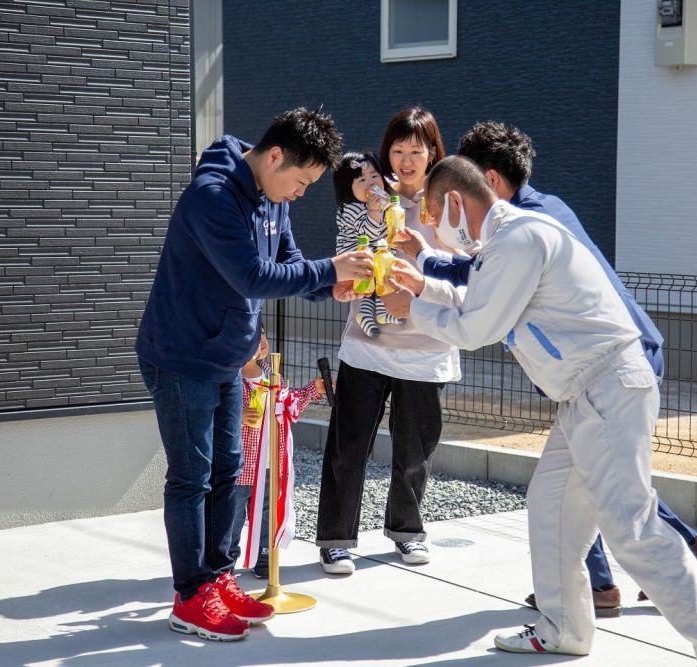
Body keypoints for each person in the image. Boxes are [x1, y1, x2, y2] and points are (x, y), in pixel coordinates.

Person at [383, 156, 697, 666]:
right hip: (591, 394)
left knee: (630, 524)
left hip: (603, 389)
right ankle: (563, 627)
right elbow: (481, 299)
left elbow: (477, 327)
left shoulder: (517, 238)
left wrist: (414, 307)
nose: (432, 226)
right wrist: (421, 287)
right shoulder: (512, 236)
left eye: (432, 214)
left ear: (456, 201)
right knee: (552, 509)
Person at [135, 108, 372, 642]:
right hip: (180, 356)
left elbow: (285, 261)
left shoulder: (269, 199)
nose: (301, 193)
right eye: (302, 181)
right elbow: (251, 274)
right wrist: (332, 268)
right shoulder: (213, 198)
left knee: (228, 471)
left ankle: (218, 579)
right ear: (272, 157)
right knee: (192, 478)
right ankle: (190, 596)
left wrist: (325, 286)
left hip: (224, 355)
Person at [314, 107, 460, 574]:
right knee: (348, 445)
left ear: (432, 152)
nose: (405, 160)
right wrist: (344, 279)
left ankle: (408, 531)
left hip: (428, 347)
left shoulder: (448, 205)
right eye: (397, 150)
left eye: (416, 150)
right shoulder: (371, 195)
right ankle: (336, 539)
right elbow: (347, 251)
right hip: (367, 342)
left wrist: (423, 258)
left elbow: (465, 271)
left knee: (415, 450)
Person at [228, 326, 327, 579]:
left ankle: (264, 555)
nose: (261, 341)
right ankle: (225, 560)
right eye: (253, 336)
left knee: (266, 515)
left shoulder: (274, 379)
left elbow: (289, 404)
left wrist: (313, 390)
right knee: (231, 517)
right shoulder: (230, 380)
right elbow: (217, 412)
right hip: (239, 467)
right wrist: (237, 416)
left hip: (270, 464)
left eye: (263, 335)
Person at [332, 151, 402, 337]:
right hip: (352, 253)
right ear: (348, 188)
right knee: (377, 267)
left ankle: (379, 311)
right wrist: (373, 210)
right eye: (361, 180)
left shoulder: (379, 203)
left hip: (369, 252)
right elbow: (368, 233)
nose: (370, 183)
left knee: (385, 265)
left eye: (374, 176)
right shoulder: (352, 208)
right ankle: (368, 312)